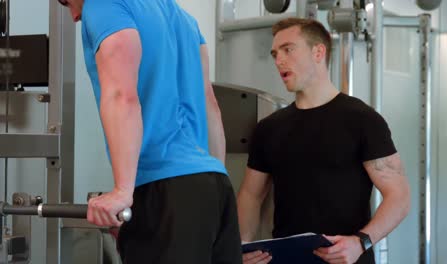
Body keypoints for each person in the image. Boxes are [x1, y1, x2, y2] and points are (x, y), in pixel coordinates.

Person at [58, 0, 243, 263]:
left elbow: (122, 94)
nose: (75, 14)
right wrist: (213, 180)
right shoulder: (185, 20)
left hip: (163, 189)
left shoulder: (102, 5)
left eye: (67, 1)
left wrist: (123, 192)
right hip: (215, 188)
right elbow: (210, 107)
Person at [237, 18, 411, 264]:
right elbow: (251, 195)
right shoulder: (269, 128)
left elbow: (399, 197)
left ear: (318, 52)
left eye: (288, 50)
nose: (279, 60)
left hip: (347, 259)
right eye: (275, 53)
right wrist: (243, 248)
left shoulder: (362, 120)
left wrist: (361, 242)